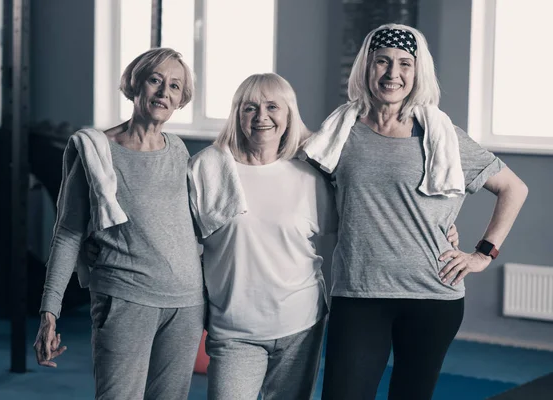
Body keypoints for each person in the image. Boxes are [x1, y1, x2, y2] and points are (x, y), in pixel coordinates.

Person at [300, 23, 529, 400]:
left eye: (405, 64)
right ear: (366, 67)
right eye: (383, 62)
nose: (393, 73)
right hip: (359, 292)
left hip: (432, 294)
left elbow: (513, 189)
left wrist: (483, 253)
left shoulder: (442, 135)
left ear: (417, 72)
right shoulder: (339, 132)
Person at [33, 47, 206, 400]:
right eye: (155, 80)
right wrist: (50, 310)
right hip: (126, 299)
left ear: (181, 99)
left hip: (186, 305)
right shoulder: (97, 151)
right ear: (135, 84)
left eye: (174, 86)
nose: (163, 93)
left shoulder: (178, 150)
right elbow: (67, 233)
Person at [187, 73, 336, 400]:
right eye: (249, 108)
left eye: (272, 107)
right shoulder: (207, 168)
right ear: (237, 115)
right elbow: (180, 240)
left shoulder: (309, 176)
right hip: (234, 329)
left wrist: (441, 228)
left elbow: (358, 227)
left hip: (301, 324)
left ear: (288, 115)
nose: (261, 117)